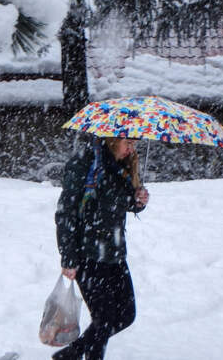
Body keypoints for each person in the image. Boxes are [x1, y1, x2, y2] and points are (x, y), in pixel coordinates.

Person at [53, 136, 150, 360]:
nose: (131, 148)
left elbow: (117, 202)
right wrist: (68, 258)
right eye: (128, 141)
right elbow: (65, 212)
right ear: (113, 140)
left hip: (114, 253)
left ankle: (70, 354)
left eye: (134, 143)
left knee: (125, 315)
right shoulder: (86, 163)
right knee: (104, 319)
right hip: (87, 254)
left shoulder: (122, 165)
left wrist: (137, 201)